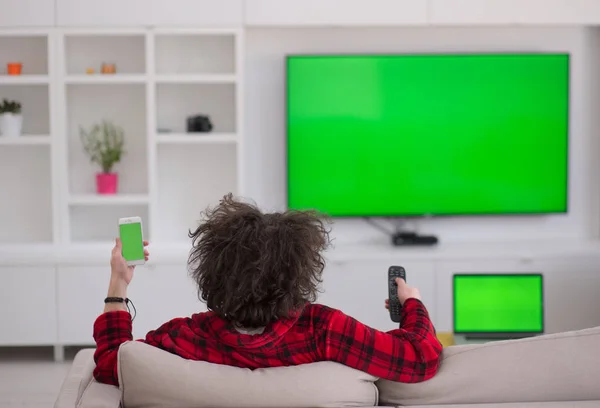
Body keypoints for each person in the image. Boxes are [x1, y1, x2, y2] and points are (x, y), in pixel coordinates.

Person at [93, 194, 443, 386]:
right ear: (300, 272)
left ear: (213, 271)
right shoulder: (326, 331)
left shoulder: (185, 337)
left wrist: (119, 282)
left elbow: (111, 363)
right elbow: (422, 358)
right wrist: (412, 304)